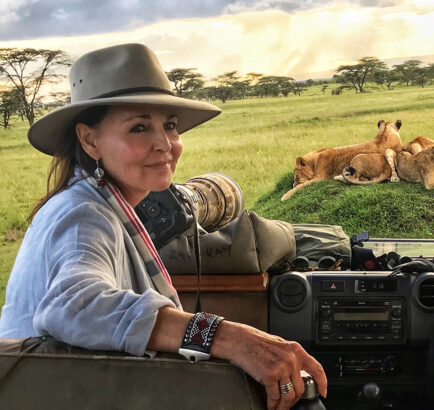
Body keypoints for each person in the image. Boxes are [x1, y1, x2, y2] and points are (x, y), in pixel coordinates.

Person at [0, 43, 326, 410]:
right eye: (139, 128)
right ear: (90, 140)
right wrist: (228, 337)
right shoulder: (83, 216)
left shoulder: (103, 204)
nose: (164, 144)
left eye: (169, 126)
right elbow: (74, 305)